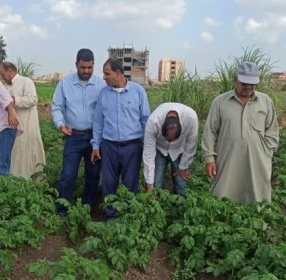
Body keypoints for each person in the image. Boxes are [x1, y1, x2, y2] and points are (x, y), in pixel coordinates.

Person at [201, 61, 279, 203]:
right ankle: (223, 223)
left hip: (257, 160)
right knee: (223, 193)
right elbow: (210, 131)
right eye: (244, 83)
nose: (248, 87)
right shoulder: (220, 102)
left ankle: (258, 224)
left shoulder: (265, 101)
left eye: (252, 84)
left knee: (257, 196)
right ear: (235, 80)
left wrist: (266, 153)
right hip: (227, 158)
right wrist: (209, 159)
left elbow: (272, 131)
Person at [91, 58, 151, 220]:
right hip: (109, 146)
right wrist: (96, 146)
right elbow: (98, 121)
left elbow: (146, 120)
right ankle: (111, 217)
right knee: (109, 183)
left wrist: (147, 145)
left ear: (118, 73)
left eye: (107, 73)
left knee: (130, 183)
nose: (104, 77)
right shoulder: (104, 93)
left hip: (132, 146)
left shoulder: (138, 91)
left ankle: (128, 217)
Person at [51, 48, 106, 217]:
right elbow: (57, 107)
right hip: (73, 136)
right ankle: (63, 210)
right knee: (68, 175)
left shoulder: (101, 84)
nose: (86, 71)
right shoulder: (65, 84)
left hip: (94, 138)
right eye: (83, 67)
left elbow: (106, 109)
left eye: (90, 68)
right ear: (76, 65)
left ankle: (87, 208)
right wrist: (61, 125)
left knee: (93, 175)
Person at [0, 61, 45, 179]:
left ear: (10, 71)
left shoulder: (26, 82)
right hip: (11, 128)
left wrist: (14, 100)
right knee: (15, 156)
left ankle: (32, 182)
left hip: (27, 125)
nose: (2, 77)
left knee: (28, 155)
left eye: (3, 74)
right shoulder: (4, 87)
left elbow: (33, 99)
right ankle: (16, 182)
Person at [143, 102, 198, 196]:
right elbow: (148, 153)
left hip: (179, 149)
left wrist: (184, 166)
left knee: (181, 183)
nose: (170, 142)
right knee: (156, 183)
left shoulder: (191, 118)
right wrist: (149, 184)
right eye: (167, 139)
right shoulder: (153, 121)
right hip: (160, 148)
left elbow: (191, 144)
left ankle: (182, 205)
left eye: (173, 140)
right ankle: (158, 205)